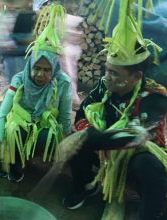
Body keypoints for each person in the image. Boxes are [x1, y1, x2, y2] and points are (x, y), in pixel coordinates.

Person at [61, 1, 167, 219]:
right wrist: (86, 133)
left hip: (133, 157)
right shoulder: (104, 84)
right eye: (107, 70)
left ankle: (146, 211)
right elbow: (82, 113)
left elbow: (135, 135)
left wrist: (89, 136)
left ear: (136, 77)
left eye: (115, 73)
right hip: (104, 152)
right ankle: (86, 188)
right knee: (78, 139)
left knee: (149, 167)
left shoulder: (154, 96)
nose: (107, 77)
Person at [0, 3, 72, 182]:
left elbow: (65, 116)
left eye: (47, 70)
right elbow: (3, 113)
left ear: (55, 69)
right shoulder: (19, 79)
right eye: (37, 68)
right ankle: (13, 163)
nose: (40, 74)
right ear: (30, 65)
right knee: (14, 130)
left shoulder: (63, 83)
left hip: (45, 124)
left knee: (42, 137)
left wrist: (65, 142)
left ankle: (25, 158)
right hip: (21, 120)